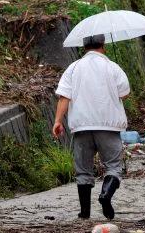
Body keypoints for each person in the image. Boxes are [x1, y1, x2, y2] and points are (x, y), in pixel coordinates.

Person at [52, 34, 130, 220]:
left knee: (83, 170)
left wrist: (57, 121)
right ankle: (105, 195)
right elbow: (125, 93)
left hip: (81, 126)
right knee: (113, 166)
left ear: (83, 46)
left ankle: (84, 213)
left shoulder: (73, 68)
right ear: (103, 44)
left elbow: (64, 97)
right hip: (108, 125)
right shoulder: (112, 67)